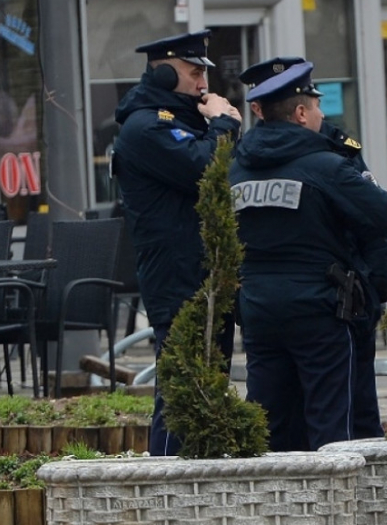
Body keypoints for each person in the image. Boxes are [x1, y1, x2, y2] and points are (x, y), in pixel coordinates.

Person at [228, 61, 387, 451]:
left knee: (268, 424)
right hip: (318, 309)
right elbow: (382, 213)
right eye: (317, 106)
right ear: (301, 113)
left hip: (258, 310)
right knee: (330, 427)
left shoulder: (235, 170)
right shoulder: (326, 166)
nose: (322, 114)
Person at [112, 30, 243, 456]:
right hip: (176, 275)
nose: (203, 83)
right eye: (193, 73)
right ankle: (166, 474)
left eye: (203, 73)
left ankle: (202, 474)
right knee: (181, 393)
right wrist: (224, 125)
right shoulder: (146, 126)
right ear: (164, 74)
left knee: (209, 387)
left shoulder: (185, 120)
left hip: (202, 270)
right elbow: (203, 167)